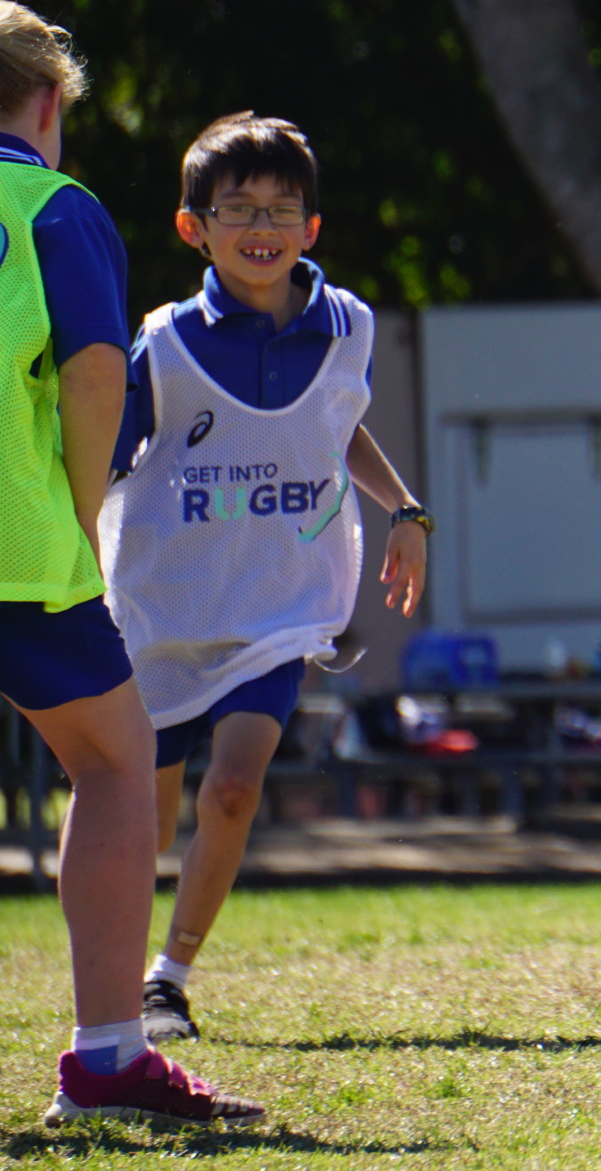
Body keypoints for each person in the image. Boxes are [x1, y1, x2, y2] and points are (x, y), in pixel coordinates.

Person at [100, 113, 430, 1040]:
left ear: (312, 229)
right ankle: (114, 976)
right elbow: (106, 459)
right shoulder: (160, 345)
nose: (263, 225)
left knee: (234, 789)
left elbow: (334, 423)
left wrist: (404, 509)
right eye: (238, 206)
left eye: (284, 208)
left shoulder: (348, 326)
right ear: (192, 225)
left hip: (283, 606)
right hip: (163, 610)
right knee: (146, 823)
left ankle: (168, 977)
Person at [0, 1, 263, 1127]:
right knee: (116, 761)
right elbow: (98, 372)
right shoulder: (52, 206)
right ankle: (108, 1058)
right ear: (49, 101)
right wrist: (79, 509)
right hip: (20, 550)